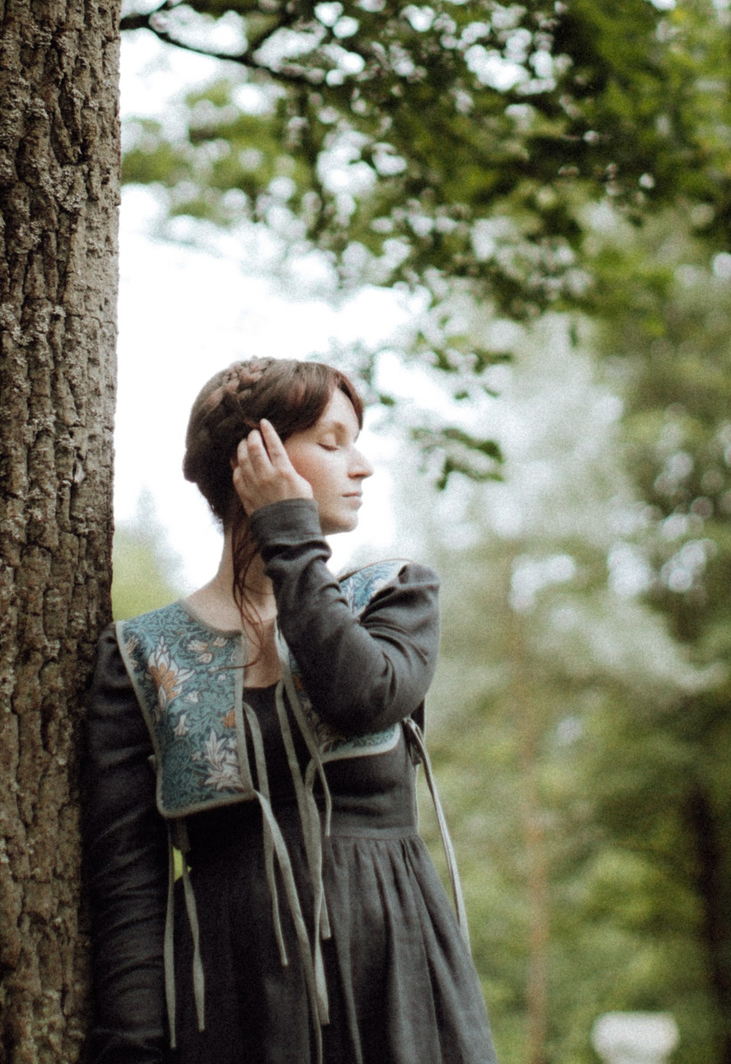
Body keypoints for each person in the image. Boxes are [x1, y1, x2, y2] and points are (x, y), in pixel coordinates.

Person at [83, 357, 499, 1064]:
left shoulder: (393, 598)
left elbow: (362, 695)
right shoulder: (138, 656)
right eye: (332, 443)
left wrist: (289, 536)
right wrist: (134, 1049)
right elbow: (127, 885)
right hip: (232, 998)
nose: (361, 466)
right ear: (257, 456)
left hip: (394, 971)